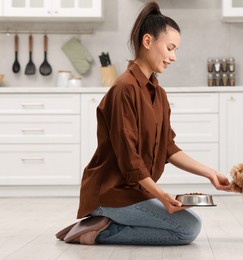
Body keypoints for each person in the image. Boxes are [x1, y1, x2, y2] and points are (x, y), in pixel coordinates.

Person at [55, 1, 230, 246]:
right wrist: (161, 195)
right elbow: (129, 160)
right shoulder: (124, 89)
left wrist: (209, 173)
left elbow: (169, 148)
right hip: (110, 193)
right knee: (187, 229)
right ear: (148, 42)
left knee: (190, 222)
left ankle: (104, 223)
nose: (173, 57)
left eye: (175, 50)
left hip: (134, 191)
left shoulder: (158, 94)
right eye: (170, 48)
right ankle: (95, 230)